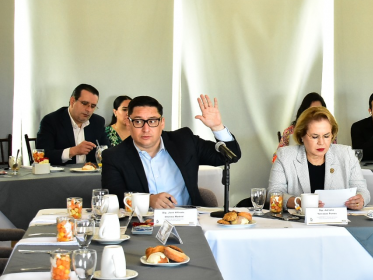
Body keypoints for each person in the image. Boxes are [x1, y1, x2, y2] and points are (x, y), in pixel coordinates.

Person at [267, 105, 368, 280]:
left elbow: (363, 189)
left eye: (327, 135)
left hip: (336, 231)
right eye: (315, 136)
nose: (322, 143)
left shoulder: (345, 154)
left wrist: (360, 200)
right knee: (305, 262)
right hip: (300, 232)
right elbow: (274, 194)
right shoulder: (286, 156)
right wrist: (296, 201)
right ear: (302, 136)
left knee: (339, 264)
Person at [102, 94, 241, 209]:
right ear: (129, 123)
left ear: (162, 123)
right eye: (138, 121)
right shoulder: (114, 156)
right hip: (144, 224)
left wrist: (217, 127)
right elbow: (114, 197)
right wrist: (148, 200)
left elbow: (230, 156)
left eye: (152, 121)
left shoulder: (184, 141)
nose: (146, 129)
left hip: (189, 222)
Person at [36, 84, 109, 165]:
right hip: (62, 172)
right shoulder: (51, 121)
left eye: (93, 106)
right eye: (84, 103)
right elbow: (43, 154)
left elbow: (108, 151)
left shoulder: (98, 122)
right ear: (72, 101)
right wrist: (72, 151)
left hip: (92, 172)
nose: (88, 109)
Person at [273, 92, 335, 163]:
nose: (316, 114)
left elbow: (334, 155)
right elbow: (276, 157)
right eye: (312, 111)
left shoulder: (330, 130)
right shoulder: (290, 131)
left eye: (320, 110)